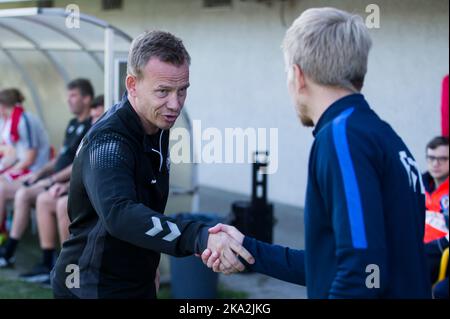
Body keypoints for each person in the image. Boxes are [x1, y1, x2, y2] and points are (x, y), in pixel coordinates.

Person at [202, 7, 431, 298]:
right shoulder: (383, 135)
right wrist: (251, 250)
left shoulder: (342, 138)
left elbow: (361, 269)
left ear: (298, 75)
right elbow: (336, 263)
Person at [51, 30, 254, 299]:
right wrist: (199, 237)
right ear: (132, 85)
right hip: (89, 286)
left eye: (182, 91)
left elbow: (145, 204)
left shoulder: (156, 122)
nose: (175, 104)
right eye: (163, 91)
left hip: (135, 281)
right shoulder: (108, 141)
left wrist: (149, 268)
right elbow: (120, 214)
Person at [0, 78, 93, 268]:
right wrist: (41, 173)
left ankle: (65, 263)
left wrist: (51, 180)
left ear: (87, 99)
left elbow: (80, 164)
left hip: (69, 185)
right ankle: (22, 254)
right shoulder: (72, 123)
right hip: (53, 180)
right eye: (68, 96)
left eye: (73, 95)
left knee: (39, 198)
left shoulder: (91, 127)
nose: (68, 100)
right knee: (24, 193)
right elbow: (60, 158)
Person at [18, 95, 105, 284]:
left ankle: (71, 267)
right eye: (93, 117)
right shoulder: (86, 132)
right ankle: (50, 262)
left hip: (100, 199)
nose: (95, 121)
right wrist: (56, 182)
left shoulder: (109, 140)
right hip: (77, 189)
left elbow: (90, 174)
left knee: (61, 205)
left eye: (99, 116)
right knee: (44, 199)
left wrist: (57, 183)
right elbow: (76, 165)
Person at [0, 88, 50, 240]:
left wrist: (7, 170)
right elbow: (13, 152)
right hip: (23, 168)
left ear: (2, 105)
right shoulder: (11, 120)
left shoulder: (24, 119)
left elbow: (30, 158)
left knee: (0, 187)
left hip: (35, 171)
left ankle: (3, 233)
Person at [422, 136, 449, 298]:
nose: (435, 163)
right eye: (431, 158)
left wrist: (440, 244)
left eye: (442, 159)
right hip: (416, 244)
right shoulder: (418, 186)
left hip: (440, 250)